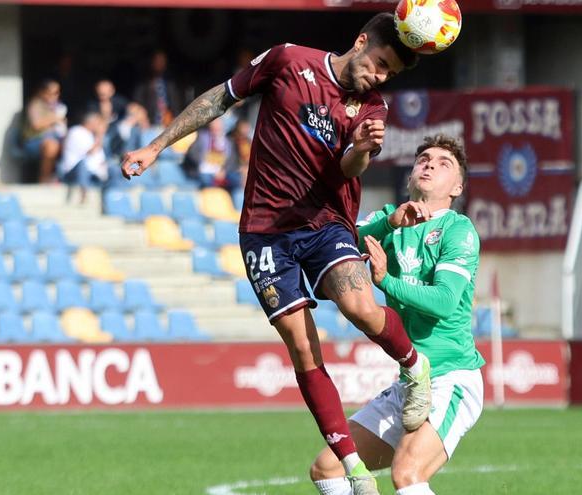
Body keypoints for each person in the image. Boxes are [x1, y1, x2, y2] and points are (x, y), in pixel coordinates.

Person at [121, 13, 428, 495]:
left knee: (361, 309)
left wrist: (364, 150)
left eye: (389, 73)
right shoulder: (287, 61)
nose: (379, 77)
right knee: (302, 346)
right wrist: (157, 146)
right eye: (379, 64)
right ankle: (351, 471)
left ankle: (414, 366)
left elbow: (349, 167)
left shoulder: (371, 107)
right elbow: (219, 99)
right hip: (264, 234)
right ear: (361, 41)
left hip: (324, 223)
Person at [310, 135, 483, 495]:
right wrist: (389, 225)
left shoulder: (458, 230)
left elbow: (444, 301)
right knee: (328, 468)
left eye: (443, 163)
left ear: (458, 186)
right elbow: (340, 241)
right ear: (410, 175)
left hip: (452, 377)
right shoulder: (388, 220)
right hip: (409, 382)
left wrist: (386, 280)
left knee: (407, 474)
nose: (430, 164)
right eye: (423, 158)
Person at [22, 79, 67, 183]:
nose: (54, 96)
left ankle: (63, 179)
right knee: (51, 146)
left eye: (56, 93)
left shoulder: (59, 106)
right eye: (50, 93)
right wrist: (55, 119)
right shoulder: (35, 104)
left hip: (56, 138)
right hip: (34, 141)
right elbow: (36, 125)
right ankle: (44, 180)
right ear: (42, 92)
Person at [57, 112, 108, 204]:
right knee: (82, 164)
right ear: (91, 122)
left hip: (92, 174)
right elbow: (90, 152)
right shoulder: (76, 131)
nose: (99, 126)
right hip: (72, 173)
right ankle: (83, 194)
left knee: (113, 168)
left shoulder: (91, 135)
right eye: (98, 123)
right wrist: (100, 135)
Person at [133, 50, 184, 127]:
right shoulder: (143, 85)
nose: (160, 63)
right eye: (157, 61)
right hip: (149, 125)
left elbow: (176, 106)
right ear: (151, 62)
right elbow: (137, 105)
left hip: (169, 124)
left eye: (162, 61)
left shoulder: (170, 84)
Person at [183, 118, 232, 188]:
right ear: (210, 125)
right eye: (215, 124)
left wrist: (223, 170)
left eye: (219, 124)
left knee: (235, 178)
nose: (217, 127)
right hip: (203, 170)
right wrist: (203, 164)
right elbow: (192, 153)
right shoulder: (201, 136)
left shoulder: (227, 141)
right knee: (206, 179)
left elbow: (230, 160)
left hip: (219, 171)